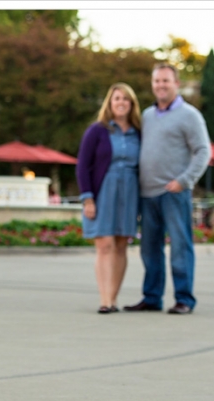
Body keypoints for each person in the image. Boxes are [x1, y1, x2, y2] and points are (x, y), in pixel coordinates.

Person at [124, 63, 211, 315]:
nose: (161, 85)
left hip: (174, 193)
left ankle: (184, 298)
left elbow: (203, 151)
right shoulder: (148, 116)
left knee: (180, 247)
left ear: (176, 83)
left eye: (165, 81)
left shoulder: (189, 115)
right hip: (147, 194)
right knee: (149, 249)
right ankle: (152, 297)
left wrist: (184, 180)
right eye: (157, 81)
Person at [76, 83, 141, 314]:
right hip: (103, 190)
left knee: (122, 245)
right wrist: (88, 199)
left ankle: (114, 298)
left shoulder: (138, 132)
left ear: (132, 104)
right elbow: (83, 166)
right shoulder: (97, 130)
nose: (121, 102)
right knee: (105, 245)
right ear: (110, 103)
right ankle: (104, 300)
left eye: (126, 99)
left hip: (130, 191)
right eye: (117, 99)